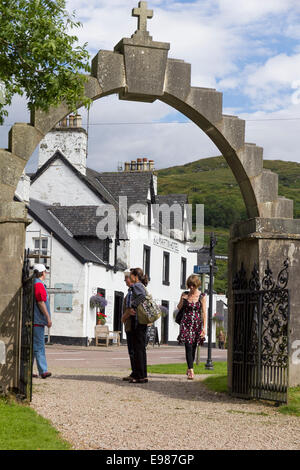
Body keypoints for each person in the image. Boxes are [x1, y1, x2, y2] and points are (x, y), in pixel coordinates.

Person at [177, 274, 206, 380]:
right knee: (188, 345)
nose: (191, 288)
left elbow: (203, 312)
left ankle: (190, 367)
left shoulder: (202, 296)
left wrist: (204, 328)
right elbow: (179, 307)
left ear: (197, 285)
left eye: (193, 285)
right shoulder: (184, 294)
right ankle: (191, 370)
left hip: (197, 324)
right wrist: (182, 300)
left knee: (193, 346)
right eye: (189, 285)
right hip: (185, 323)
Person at [126, 267, 149, 384]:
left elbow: (142, 296)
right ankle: (142, 375)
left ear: (135, 276)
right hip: (142, 321)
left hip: (138, 321)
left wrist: (132, 305)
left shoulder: (136, 286)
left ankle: (140, 376)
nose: (129, 278)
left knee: (138, 349)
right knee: (141, 349)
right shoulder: (141, 286)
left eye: (131, 276)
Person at [33, 264, 52, 379]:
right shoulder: (39, 285)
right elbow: (41, 302)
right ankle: (43, 370)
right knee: (39, 346)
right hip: (38, 320)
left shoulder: (31, 283)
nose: (46, 274)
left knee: (30, 347)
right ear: (42, 273)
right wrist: (48, 318)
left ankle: (26, 370)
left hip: (31, 320)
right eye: (45, 272)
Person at [121, 272, 135, 381]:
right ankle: (134, 372)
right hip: (129, 324)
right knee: (132, 349)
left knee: (132, 349)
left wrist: (123, 318)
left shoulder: (131, 291)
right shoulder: (130, 291)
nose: (125, 281)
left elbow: (130, 309)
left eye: (126, 279)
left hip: (131, 324)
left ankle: (135, 372)